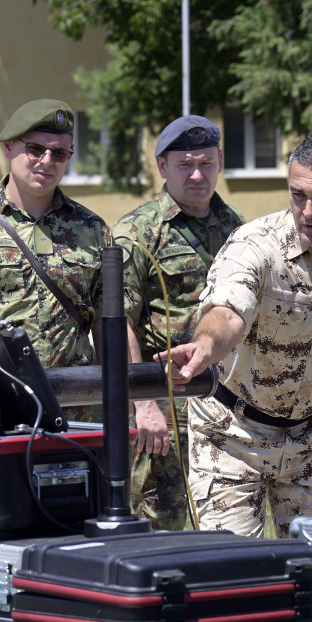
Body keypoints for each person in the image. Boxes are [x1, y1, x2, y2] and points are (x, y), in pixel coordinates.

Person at [159, 131, 312, 539]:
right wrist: (205, 345)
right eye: (297, 195)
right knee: (234, 576)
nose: (307, 211)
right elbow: (228, 310)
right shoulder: (256, 244)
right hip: (232, 434)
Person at [113, 115, 244, 530]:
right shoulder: (137, 232)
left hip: (226, 406)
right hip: (166, 411)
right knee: (157, 525)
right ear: (161, 166)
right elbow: (118, 323)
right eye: (185, 164)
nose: (197, 174)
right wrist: (143, 403)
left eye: (206, 163)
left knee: (223, 523)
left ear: (220, 161)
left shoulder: (237, 228)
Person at [0, 99, 108, 376]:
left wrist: (128, 401)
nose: (47, 161)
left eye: (59, 154)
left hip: (78, 403)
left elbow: (107, 324)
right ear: (8, 147)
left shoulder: (92, 229)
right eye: (35, 149)